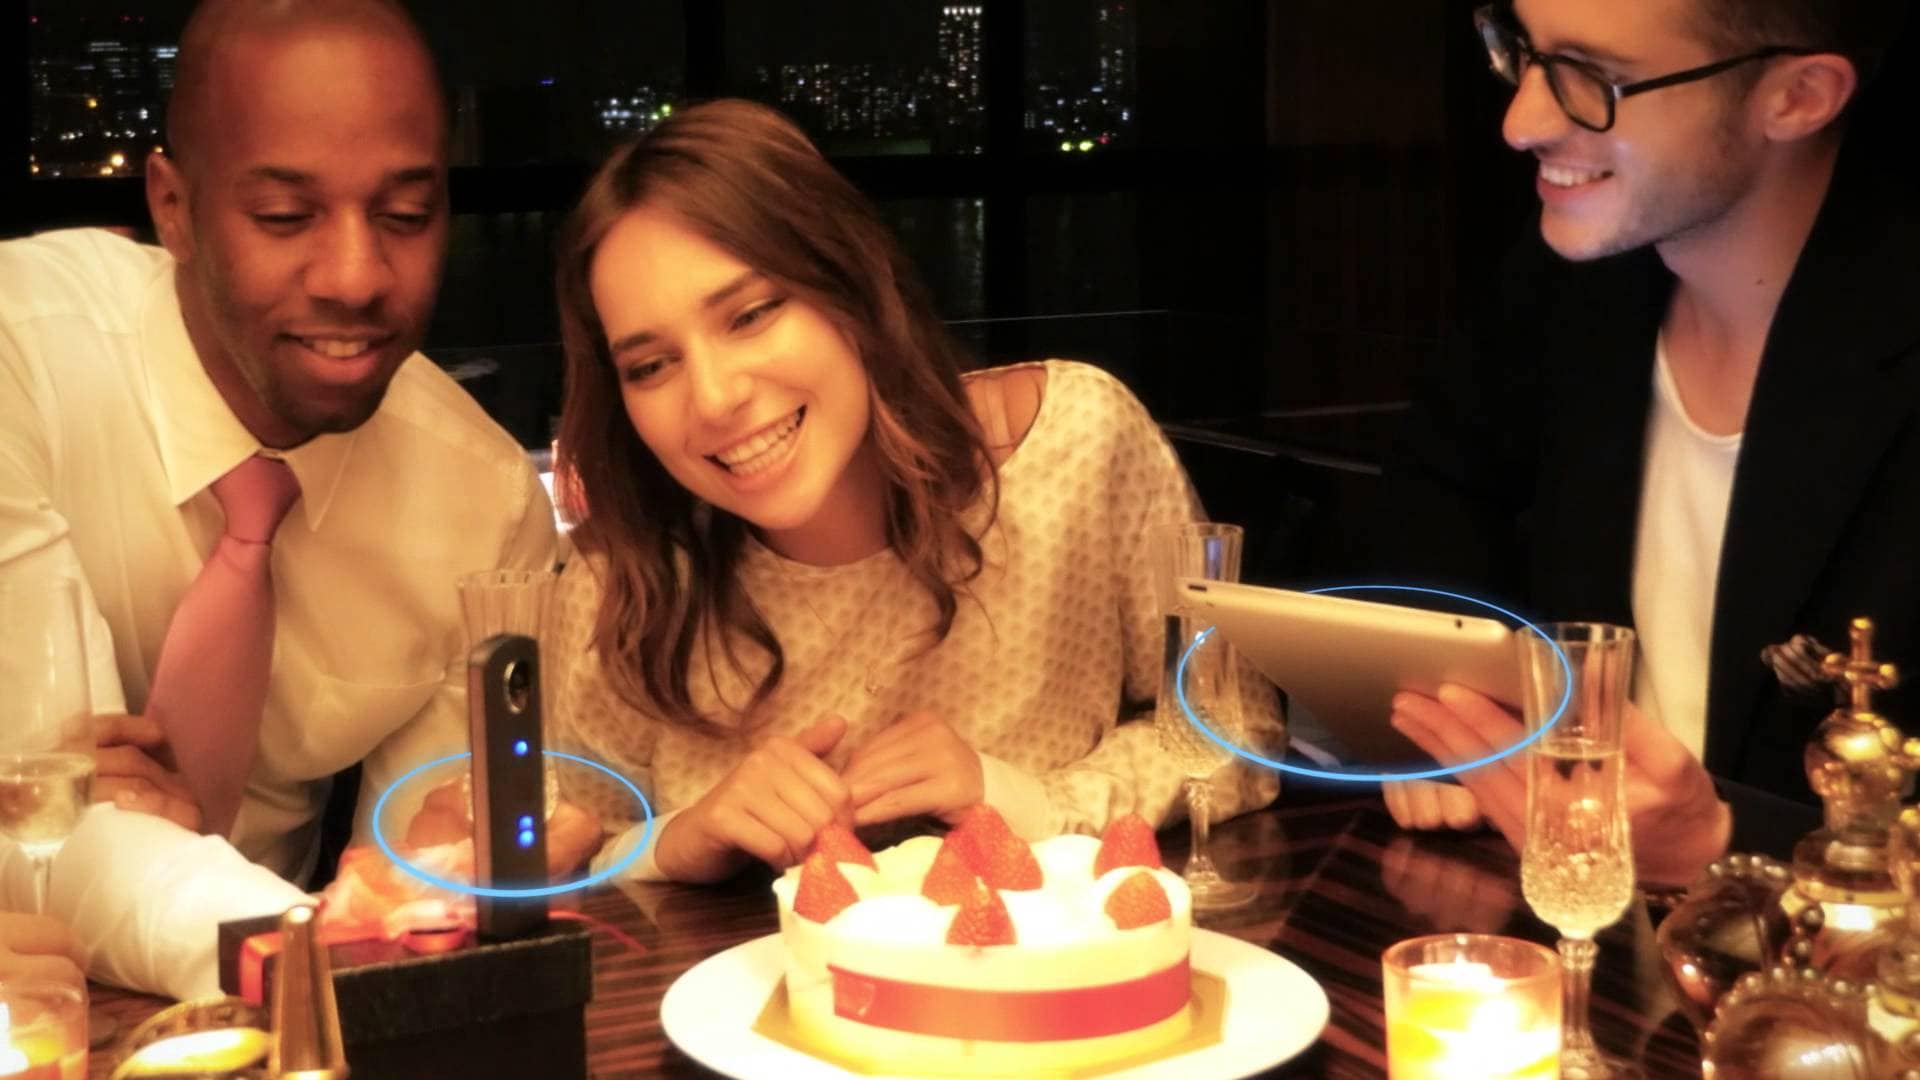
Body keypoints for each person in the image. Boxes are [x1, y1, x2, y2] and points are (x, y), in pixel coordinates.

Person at [544, 99, 1284, 884]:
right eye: (650, 366)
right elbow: (570, 845)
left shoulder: (1073, 446)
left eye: (751, 315)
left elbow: (1238, 730)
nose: (715, 397)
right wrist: (679, 842)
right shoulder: (622, 576)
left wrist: (1024, 799)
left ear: (852, 288)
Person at [0, 0, 568, 997]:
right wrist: (308, 945)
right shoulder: (23, 353)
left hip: (286, 1000)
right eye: (284, 217)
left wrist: (432, 882)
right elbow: (43, 826)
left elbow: (412, 871)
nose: (355, 277)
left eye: (405, 216)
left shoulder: (483, 504)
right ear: (173, 207)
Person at [1374, 0, 1916, 885]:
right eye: (1524, 53)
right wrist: (1453, 735)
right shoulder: (1564, 300)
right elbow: (1424, 538)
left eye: (1593, 78)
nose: (1521, 122)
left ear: (1798, 97)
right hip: (1560, 923)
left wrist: (1722, 844)